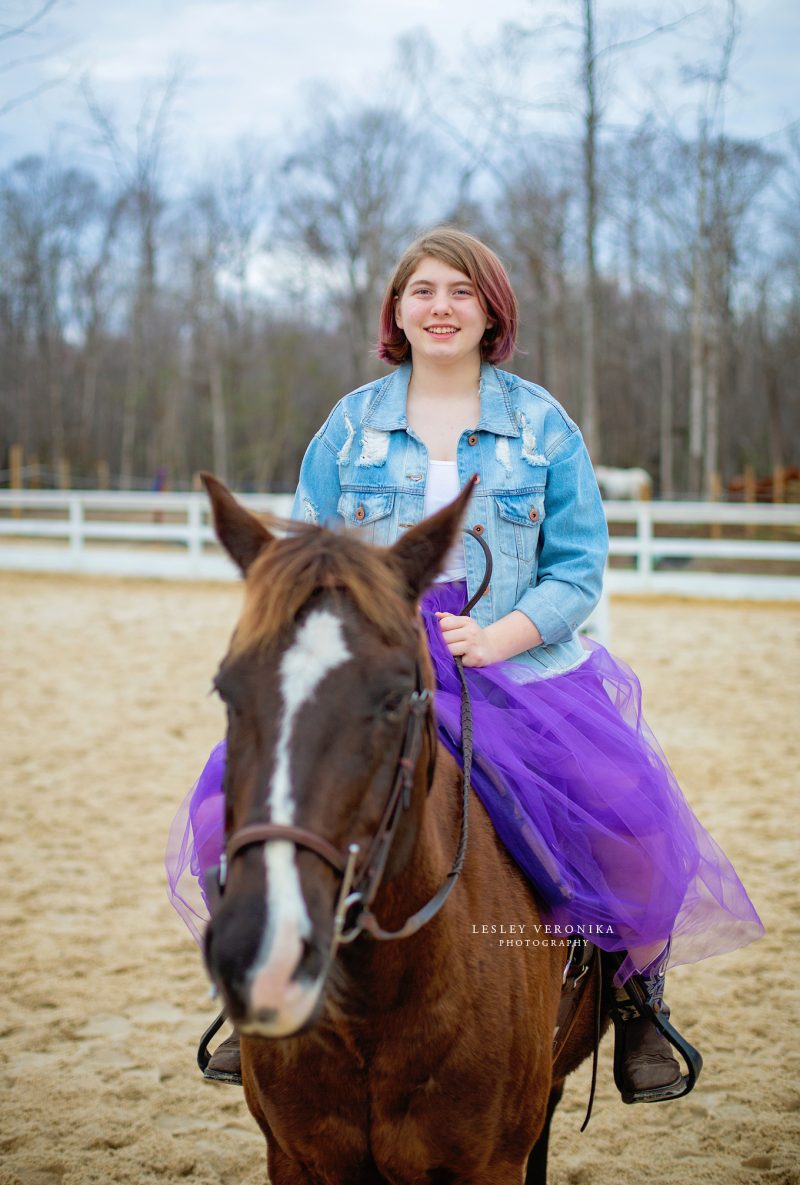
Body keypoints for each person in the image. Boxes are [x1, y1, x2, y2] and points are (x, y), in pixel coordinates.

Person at [166, 227, 763, 1097]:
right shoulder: (349, 427)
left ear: (492, 313)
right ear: (396, 312)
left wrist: (497, 637)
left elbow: (577, 569)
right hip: (376, 668)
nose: (440, 307)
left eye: (461, 292)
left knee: (627, 819)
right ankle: (260, 985)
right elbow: (306, 565)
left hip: (519, 669)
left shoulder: (541, 424)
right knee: (228, 808)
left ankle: (636, 1000)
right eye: (423, 291)